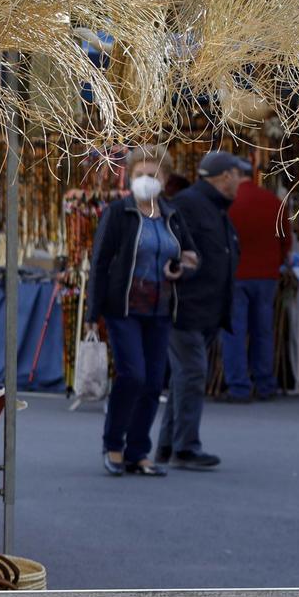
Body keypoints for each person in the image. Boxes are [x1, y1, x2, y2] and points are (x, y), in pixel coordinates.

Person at [85, 145, 195, 476]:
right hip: (124, 307)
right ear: (129, 178)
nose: (146, 180)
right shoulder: (118, 213)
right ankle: (113, 445)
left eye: (152, 175)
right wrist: (92, 313)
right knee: (132, 375)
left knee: (152, 383)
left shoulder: (173, 215)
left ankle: (138, 451)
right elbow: (100, 263)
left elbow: (190, 255)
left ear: (165, 179)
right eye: (140, 175)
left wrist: (182, 268)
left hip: (161, 308)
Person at [155, 151, 244, 470]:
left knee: (185, 377)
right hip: (186, 307)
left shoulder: (213, 208)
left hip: (203, 308)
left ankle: (169, 445)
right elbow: (175, 248)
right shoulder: (191, 204)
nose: (240, 181)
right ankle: (185, 448)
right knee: (191, 373)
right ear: (223, 177)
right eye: (237, 174)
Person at [222, 162, 293, 401]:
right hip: (266, 276)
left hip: (235, 275)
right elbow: (286, 240)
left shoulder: (227, 202)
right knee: (263, 331)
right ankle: (265, 383)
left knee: (235, 332)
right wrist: (275, 263)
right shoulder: (273, 202)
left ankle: (239, 386)